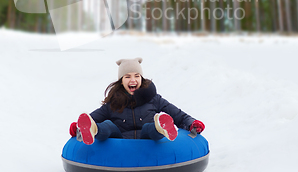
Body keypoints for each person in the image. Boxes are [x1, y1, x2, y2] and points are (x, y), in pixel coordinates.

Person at [69, 57, 205, 145]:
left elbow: (178, 115)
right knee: (108, 126)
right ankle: (94, 130)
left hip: (147, 140)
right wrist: (78, 127)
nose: (133, 80)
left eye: (136, 76)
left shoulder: (154, 99)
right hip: (120, 142)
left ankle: (161, 127)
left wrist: (192, 123)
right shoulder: (113, 104)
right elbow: (92, 117)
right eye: (127, 76)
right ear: (121, 81)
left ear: (141, 78)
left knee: (149, 128)